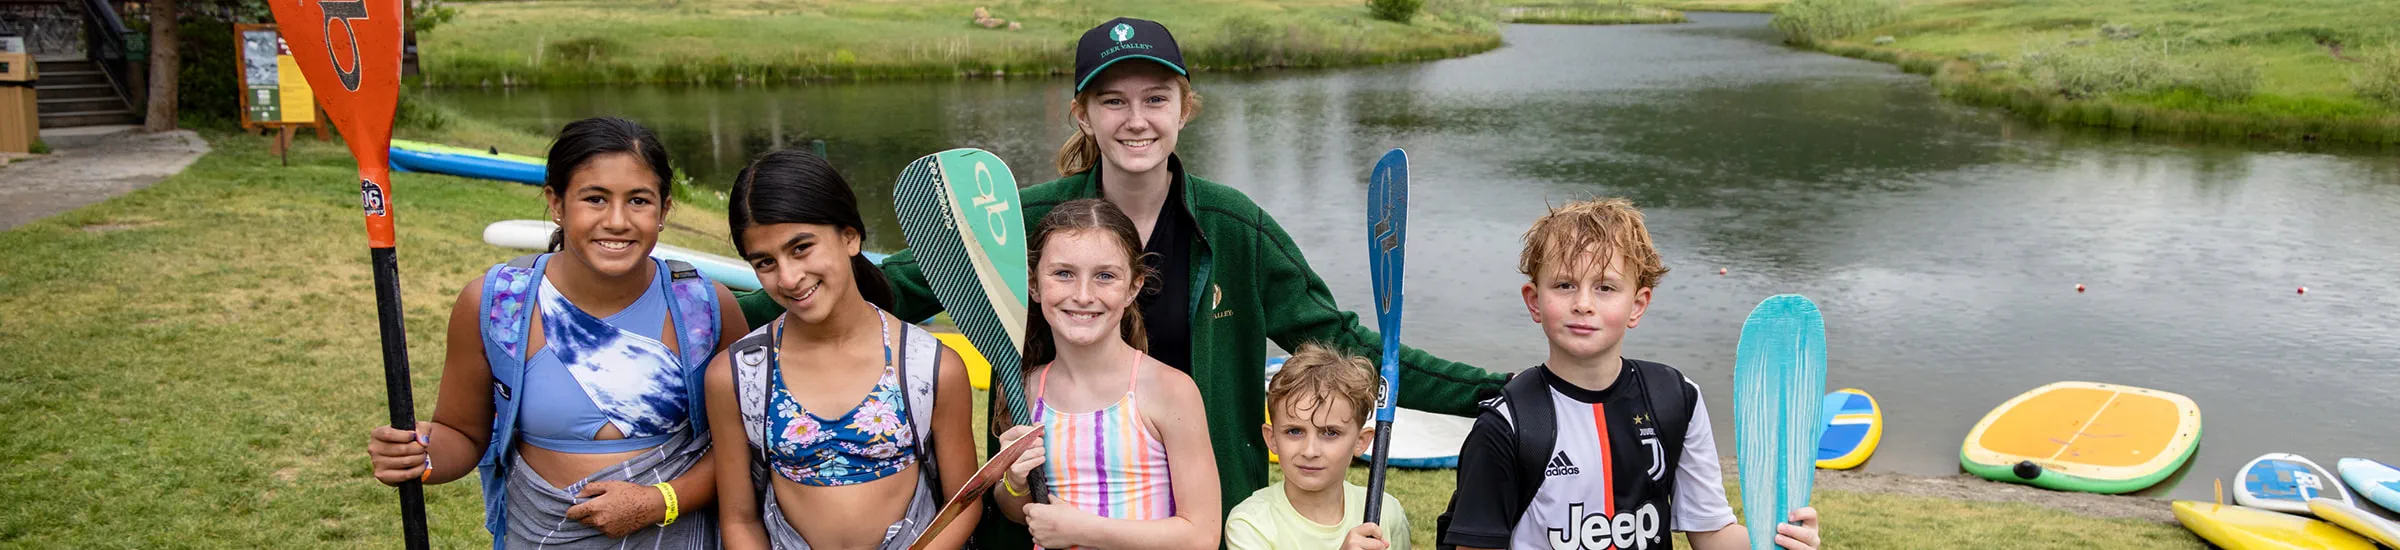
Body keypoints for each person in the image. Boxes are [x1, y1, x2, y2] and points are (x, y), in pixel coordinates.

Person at [731, 18, 1511, 548]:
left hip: (1196, 522)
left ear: (1183, 108)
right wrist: (728, 307)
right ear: (1082, 113)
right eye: (1113, 100)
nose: (1135, 120)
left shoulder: (1233, 227)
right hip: (1049, 517)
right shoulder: (1026, 220)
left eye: (1155, 99)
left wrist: (1495, 393)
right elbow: (888, 283)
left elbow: (1340, 340)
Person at [364, 116, 744, 548]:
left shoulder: (704, 307)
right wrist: (420, 456)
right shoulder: (498, 304)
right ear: (557, 203)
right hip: (539, 534)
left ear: (664, 210)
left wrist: (659, 502)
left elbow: (745, 444)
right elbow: (463, 435)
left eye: (638, 200)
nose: (617, 221)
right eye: (595, 199)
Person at [1436, 198, 1821, 550]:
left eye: (1605, 287)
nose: (1583, 304)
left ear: (1638, 305)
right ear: (1534, 301)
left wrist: (1778, 539)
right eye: (1564, 285)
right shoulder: (1508, 424)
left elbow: (1712, 535)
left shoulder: (1676, 397)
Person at [704, 149, 980, 549]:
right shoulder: (738, 376)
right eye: (764, 262)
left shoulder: (929, 367)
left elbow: (963, 503)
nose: (789, 277)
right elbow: (739, 518)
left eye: (801, 248)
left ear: (850, 236)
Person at [991, 199, 1220, 550]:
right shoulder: (1025, 389)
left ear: (1133, 287)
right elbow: (1019, 512)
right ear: (1034, 285)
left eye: (1105, 276)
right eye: (1063, 273)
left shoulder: (1169, 390)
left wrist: (1082, 530)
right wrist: (1016, 483)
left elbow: (1201, 536)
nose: (1083, 296)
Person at [1226, 343, 1409, 550]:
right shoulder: (1250, 523)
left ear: (1361, 441)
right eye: (1294, 431)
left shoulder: (1387, 513)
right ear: (1272, 438)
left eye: (1330, 433)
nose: (1310, 451)